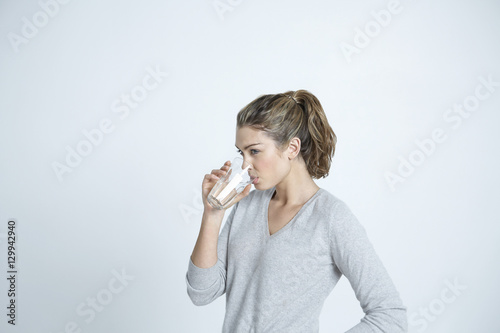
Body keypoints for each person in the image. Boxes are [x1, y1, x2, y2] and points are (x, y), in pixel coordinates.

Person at [185, 89, 408, 332]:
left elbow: (390, 316)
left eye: (255, 151)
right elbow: (202, 292)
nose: (245, 165)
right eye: (242, 153)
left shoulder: (331, 218)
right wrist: (213, 212)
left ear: (292, 148)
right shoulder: (247, 205)